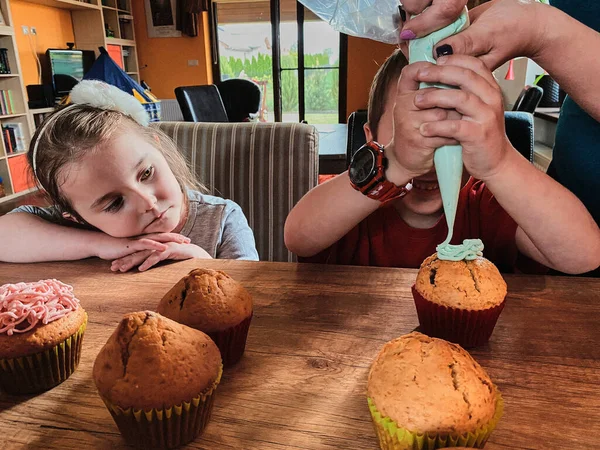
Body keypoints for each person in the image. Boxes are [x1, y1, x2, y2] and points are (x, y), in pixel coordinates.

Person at [284, 48, 600, 274]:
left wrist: (500, 162)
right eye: (412, 134)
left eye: (454, 133)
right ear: (371, 138)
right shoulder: (353, 200)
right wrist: (394, 163)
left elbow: (584, 254)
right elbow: (298, 237)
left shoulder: (485, 203)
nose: (430, 157)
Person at [0, 80, 258, 271]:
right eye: (114, 203)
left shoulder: (222, 218)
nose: (148, 202)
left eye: (146, 173)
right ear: (77, 218)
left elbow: (254, 295)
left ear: (158, 147)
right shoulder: (76, 227)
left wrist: (204, 264)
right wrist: (97, 244)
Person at [401, 0, 600, 226]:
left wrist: (539, 32)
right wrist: (392, 164)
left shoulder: (490, 208)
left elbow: (587, 254)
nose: (434, 145)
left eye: (454, 126)